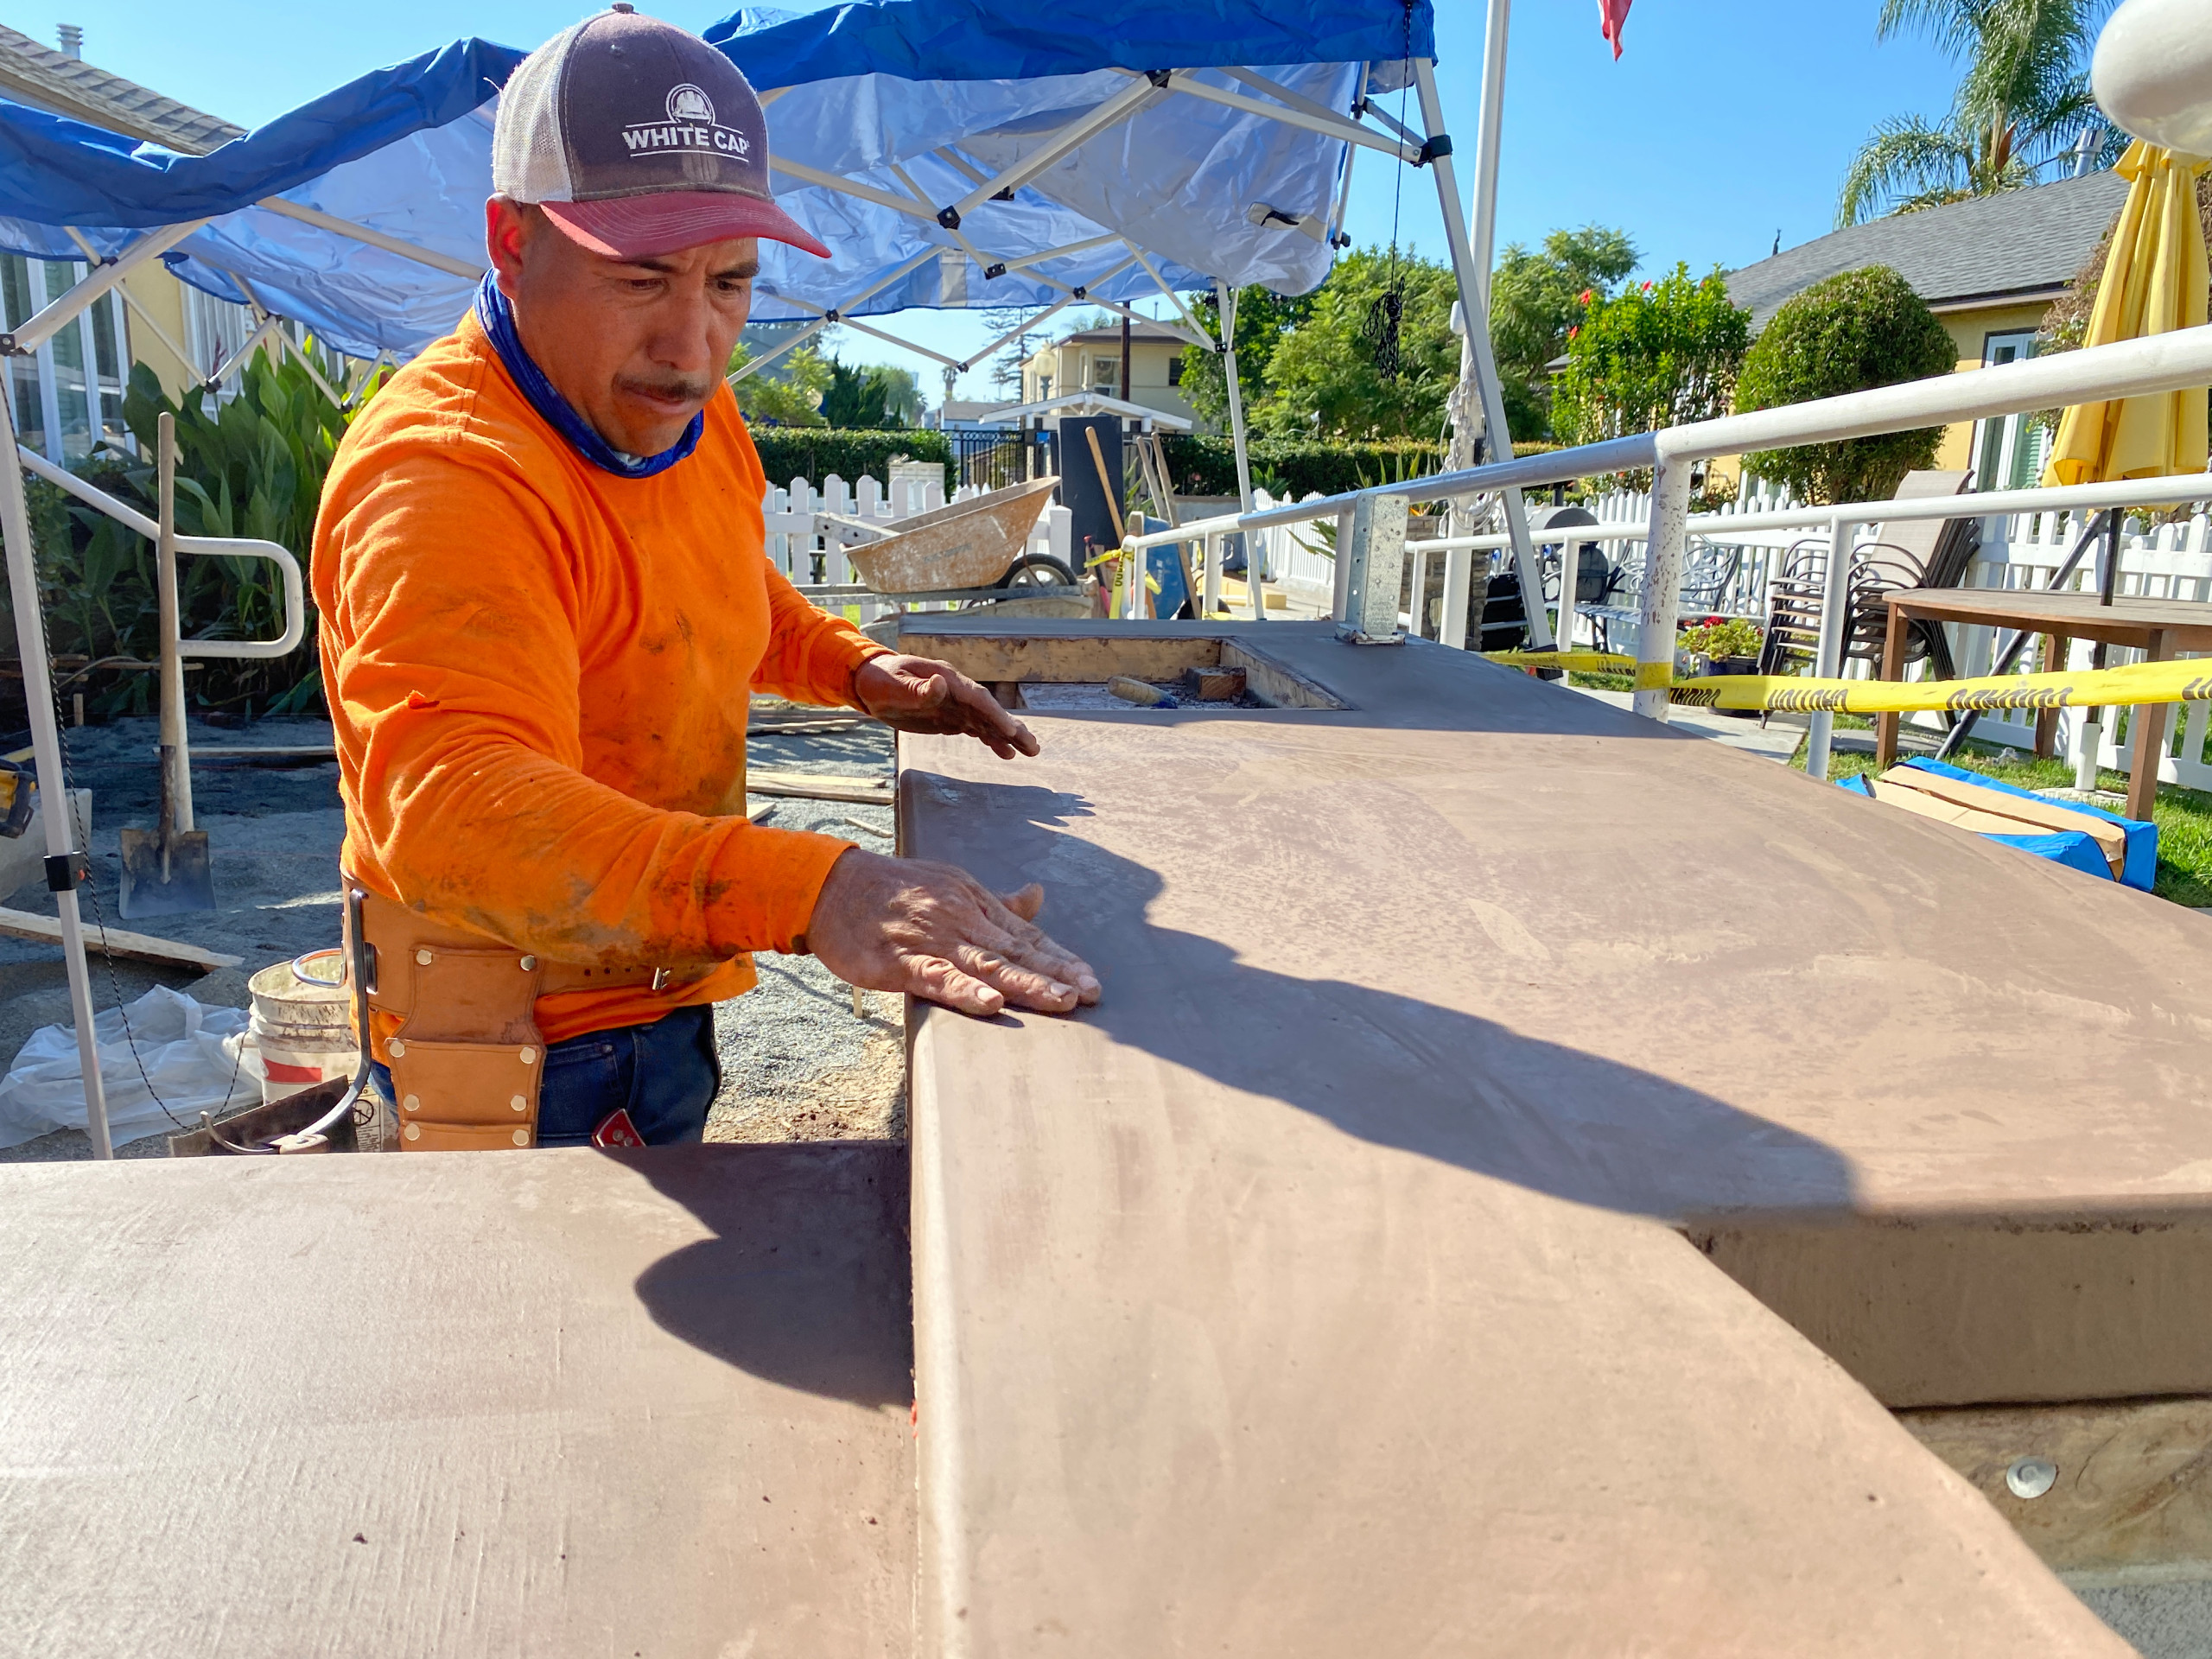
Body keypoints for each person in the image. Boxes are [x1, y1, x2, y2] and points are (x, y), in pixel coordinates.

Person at [312, 6, 1096, 1152]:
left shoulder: (685, 408)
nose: (694, 346)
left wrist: (859, 669)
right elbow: (457, 812)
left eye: (730, 281)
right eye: (641, 279)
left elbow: (715, 591)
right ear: (513, 242)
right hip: (515, 1039)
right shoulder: (450, 474)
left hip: (661, 990)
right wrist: (818, 888)